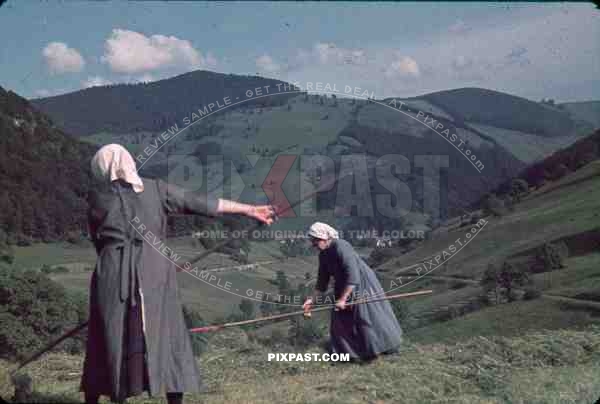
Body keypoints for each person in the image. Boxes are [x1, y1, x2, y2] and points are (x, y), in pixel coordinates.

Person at [80, 144, 276, 404]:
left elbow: (98, 241)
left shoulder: (96, 199)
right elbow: (202, 203)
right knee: (167, 332)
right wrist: (249, 209)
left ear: (101, 168)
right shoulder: (156, 189)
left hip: (111, 274)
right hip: (155, 272)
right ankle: (174, 398)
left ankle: (103, 396)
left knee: (107, 335)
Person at [302, 222, 403, 362]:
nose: (314, 244)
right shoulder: (323, 255)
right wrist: (311, 300)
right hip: (343, 285)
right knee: (341, 319)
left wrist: (343, 299)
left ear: (325, 237)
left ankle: (382, 350)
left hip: (361, 284)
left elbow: (353, 275)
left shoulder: (341, 246)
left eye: (316, 240)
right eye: (312, 241)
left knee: (366, 316)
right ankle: (349, 355)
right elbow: (322, 282)